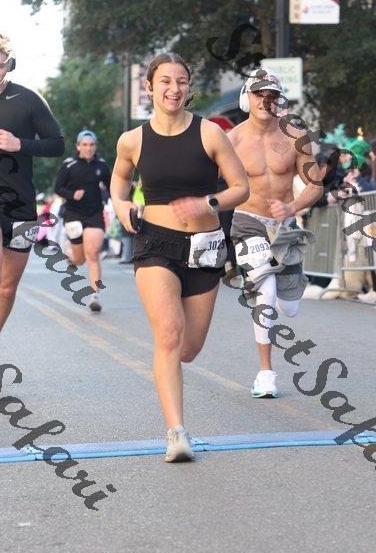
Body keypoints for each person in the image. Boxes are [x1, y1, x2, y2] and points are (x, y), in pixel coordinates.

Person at [111, 53, 249, 462]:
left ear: (189, 87)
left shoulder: (210, 133)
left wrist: (208, 202)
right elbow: (119, 181)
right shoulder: (132, 140)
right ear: (149, 87)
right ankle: (177, 433)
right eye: (165, 81)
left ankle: (175, 411)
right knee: (169, 335)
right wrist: (121, 205)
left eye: (182, 81)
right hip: (155, 244)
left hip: (205, 248)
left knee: (188, 349)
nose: (174, 89)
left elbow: (240, 187)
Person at [0, 31, 64, 390]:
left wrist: (20, 144)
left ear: (9, 65)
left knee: (8, 289)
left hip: (22, 205)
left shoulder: (27, 99)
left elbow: (57, 144)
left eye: (0, 66)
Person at [228, 68, 323, 398]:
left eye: (272, 96)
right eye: (259, 94)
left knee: (290, 306)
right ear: (247, 98)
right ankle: (266, 373)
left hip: (285, 227)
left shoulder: (297, 137)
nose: (265, 101)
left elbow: (315, 185)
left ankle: (283, 281)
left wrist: (292, 206)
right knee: (265, 289)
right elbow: (209, 182)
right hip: (247, 221)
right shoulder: (232, 140)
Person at [54, 130, 111, 312]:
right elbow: (58, 188)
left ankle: (95, 296)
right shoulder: (69, 164)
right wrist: (72, 195)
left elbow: (112, 188)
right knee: (79, 260)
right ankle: (69, 254)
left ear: (96, 147)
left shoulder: (102, 166)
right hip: (73, 215)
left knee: (92, 254)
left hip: (95, 215)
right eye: (84, 145)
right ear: (78, 146)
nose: (88, 148)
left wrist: (110, 200)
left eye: (91, 145)